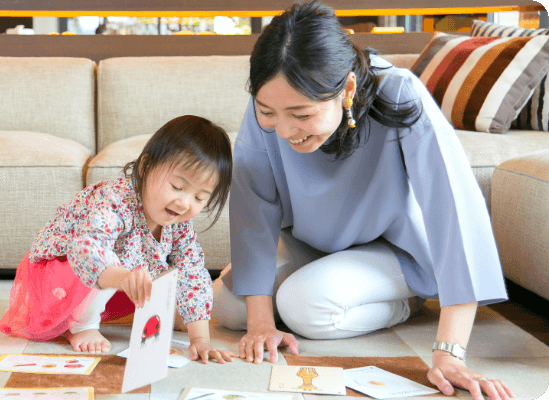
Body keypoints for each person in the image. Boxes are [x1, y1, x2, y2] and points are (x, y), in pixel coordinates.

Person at [211, 2, 514, 400]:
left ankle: (408, 302)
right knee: (228, 309)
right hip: (310, 243)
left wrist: (449, 354)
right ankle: (308, 288)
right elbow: (254, 210)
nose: (283, 130)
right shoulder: (269, 104)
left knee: (304, 306)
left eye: (301, 114)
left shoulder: (400, 90)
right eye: (269, 112)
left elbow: (453, 213)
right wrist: (261, 324)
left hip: (393, 250)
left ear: (347, 90)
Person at [0, 115, 236, 364]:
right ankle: (82, 325)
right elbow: (88, 249)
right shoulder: (114, 199)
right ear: (145, 168)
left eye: (199, 198)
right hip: (64, 274)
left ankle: (123, 305)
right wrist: (124, 277)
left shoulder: (180, 225)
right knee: (108, 259)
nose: (184, 203)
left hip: (116, 282)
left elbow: (193, 274)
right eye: (177, 187)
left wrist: (200, 339)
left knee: (176, 274)